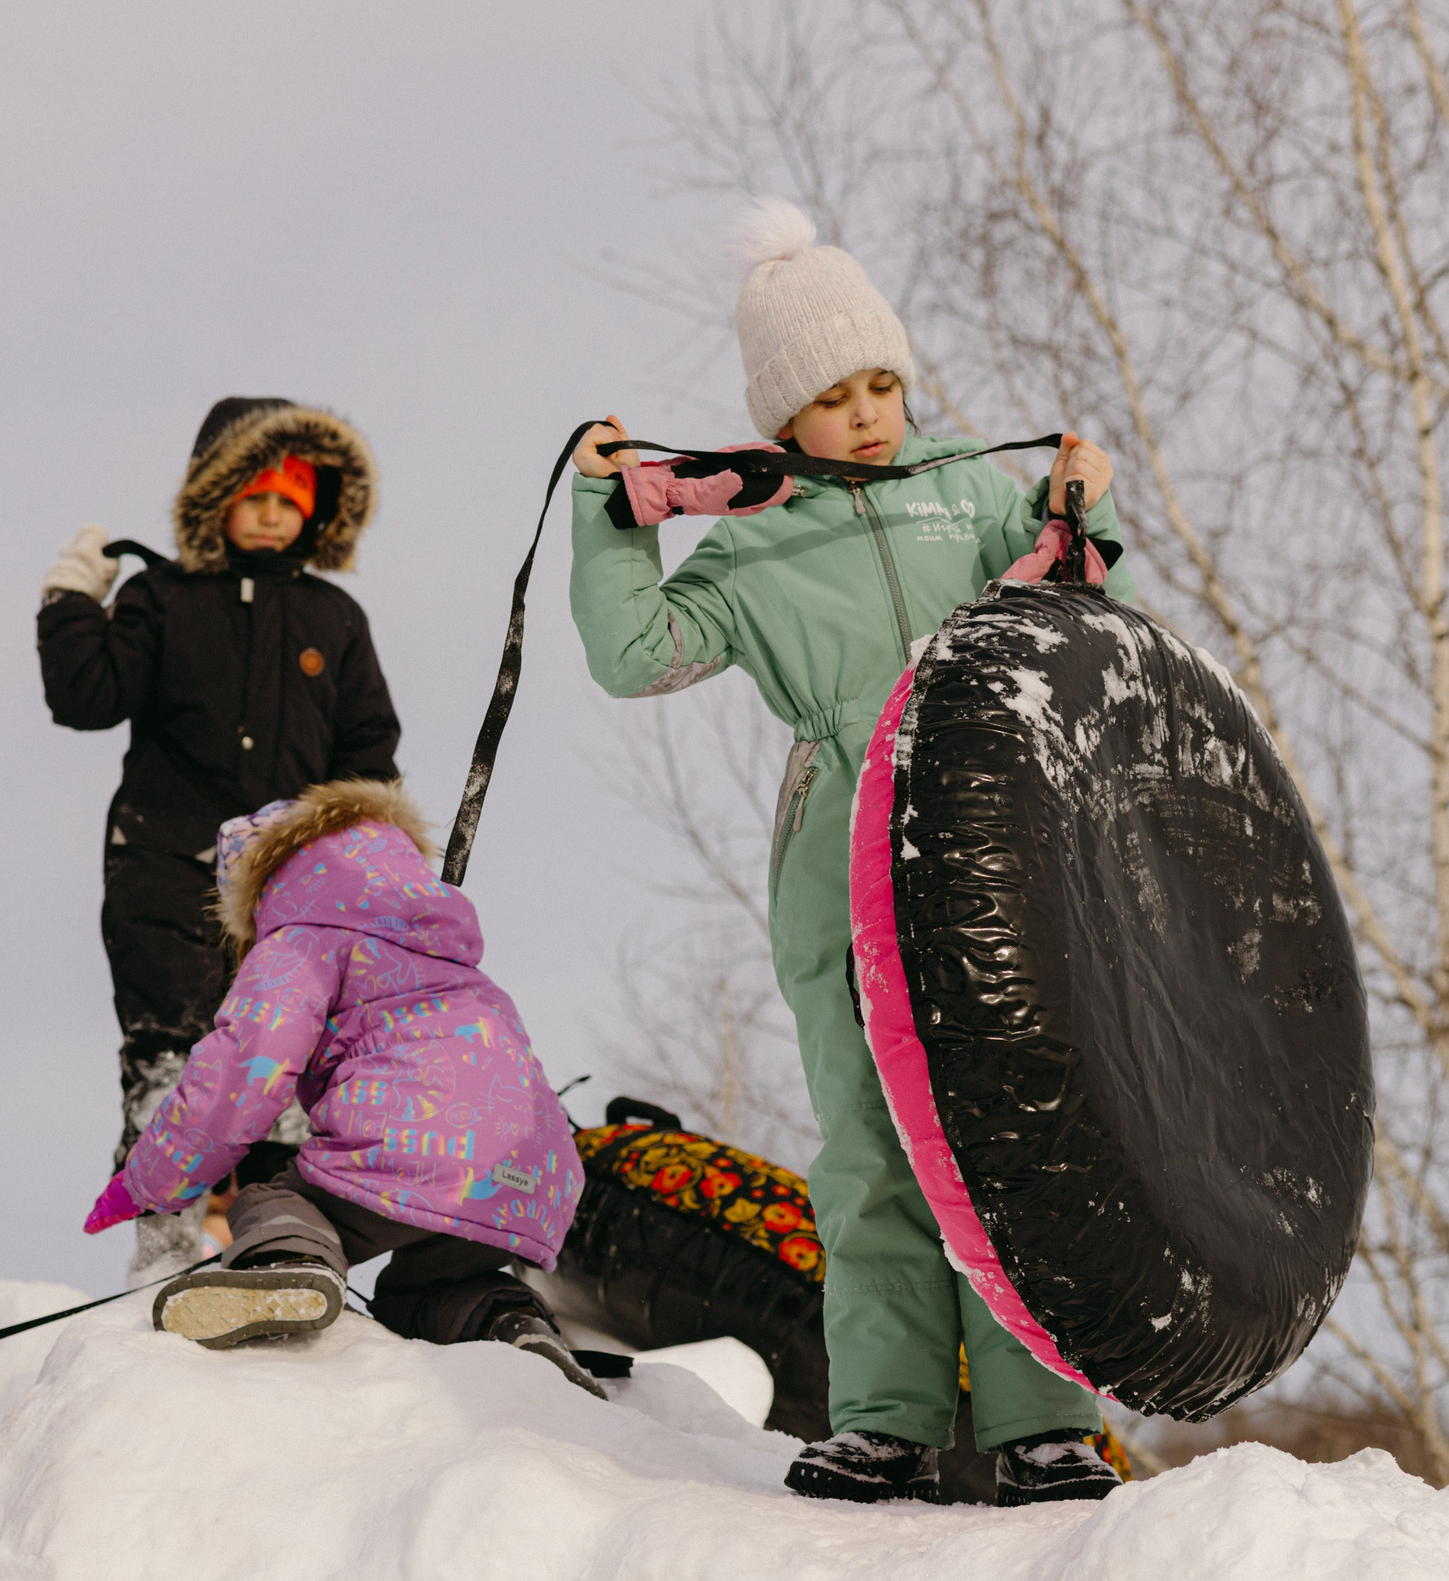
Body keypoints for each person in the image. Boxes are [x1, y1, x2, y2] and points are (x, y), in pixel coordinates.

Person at [565, 200, 1129, 1505]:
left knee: (1015, 1134)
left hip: (996, 850)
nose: (868, 412)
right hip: (842, 861)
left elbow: (1089, 629)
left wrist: (1088, 517)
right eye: (831, 395)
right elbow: (635, 650)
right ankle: (885, 1415)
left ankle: (1046, 1420)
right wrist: (614, 520)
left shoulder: (980, 497)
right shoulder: (758, 538)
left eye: (881, 380)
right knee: (873, 1150)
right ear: (781, 421)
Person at [82, 778, 601, 1399]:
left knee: (271, 1204)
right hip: (527, 1175)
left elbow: (242, 1073)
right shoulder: (456, 960)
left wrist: (146, 1184)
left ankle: (291, 1266)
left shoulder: (301, 937)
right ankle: (510, 1324)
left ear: (261, 886)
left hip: (410, 1147)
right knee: (429, 1291)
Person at [38, 398, 401, 1277]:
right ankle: (163, 1253)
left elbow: (369, 752)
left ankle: (281, 1243)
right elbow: (85, 698)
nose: (276, 511)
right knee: (174, 1057)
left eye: (294, 495)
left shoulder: (332, 620)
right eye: (255, 492)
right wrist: (69, 602)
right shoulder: (161, 598)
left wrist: (368, 860)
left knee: (285, 1070)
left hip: (288, 894)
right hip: (164, 869)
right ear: (215, 497)